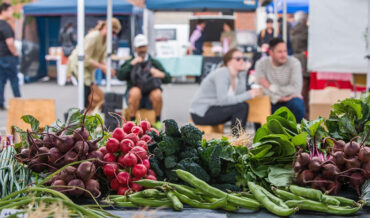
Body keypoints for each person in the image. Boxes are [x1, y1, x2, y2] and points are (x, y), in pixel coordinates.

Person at [190, 48, 261, 136]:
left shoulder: (236, 76)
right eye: (238, 59)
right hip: (201, 113)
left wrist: (244, 72)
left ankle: (238, 138)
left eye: (244, 58)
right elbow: (223, 100)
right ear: (229, 61)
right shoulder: (222, 73)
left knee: (243, 105)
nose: (242, 61)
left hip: (214, 108)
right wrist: (248, 94)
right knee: (241, 107)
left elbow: (239, 96)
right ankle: (237, 140)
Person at [117, 34, 171, 129]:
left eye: (143, 46)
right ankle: (133, 122)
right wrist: (131, 64)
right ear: (135, 48)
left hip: (149, 99)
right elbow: (120, 76)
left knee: (157, 93)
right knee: (135, 91)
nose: (142, 49)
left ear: (147, 46)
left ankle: (157, 121)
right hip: (133, 97)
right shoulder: (130, 61)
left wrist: (161, 74)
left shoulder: (154, 62)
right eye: (139, 47)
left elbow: (168, 78)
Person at [67, 18, 122, 108]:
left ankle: (87, 112)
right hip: (78, 65)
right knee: (87, 91)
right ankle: (83, 113)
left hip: (88, 69)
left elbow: (100, 59)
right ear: (106, 27)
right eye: (113, 32)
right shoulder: (94, 36)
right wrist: (102, 67)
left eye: (116, 33)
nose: (113, 35)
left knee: (93, 93)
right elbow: (84, 57)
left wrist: (108, 68)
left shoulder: (105, 40)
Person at [256, 38, 305, 122]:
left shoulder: (294, 63)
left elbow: (296, 88)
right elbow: (260, 89)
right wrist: (278, 98)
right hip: (270, 101)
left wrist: (270, 86)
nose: (284, 55)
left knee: (298, 104)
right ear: (271, 53)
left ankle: (297, 132)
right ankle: (262, 134)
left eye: (285, 51)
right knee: (259, 103)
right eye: (280, 52)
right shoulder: (261, 64)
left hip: (289, 101)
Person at [0, 3, 20, 110]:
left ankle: (0, 103)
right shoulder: (5, 26)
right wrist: (15, 53)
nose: (11, 13)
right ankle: (19, 101)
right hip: (8, 57)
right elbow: (10, 43)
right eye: (10, 10)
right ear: (4, 11)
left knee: (1, 80)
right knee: (14, 79)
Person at [290, 11, 309, 118]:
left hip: (296, 57)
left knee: (300, 85)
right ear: (305, 20)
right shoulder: (305, 31)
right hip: (303, 58)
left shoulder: (293, 29)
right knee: (304, 86)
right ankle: (303, 112)